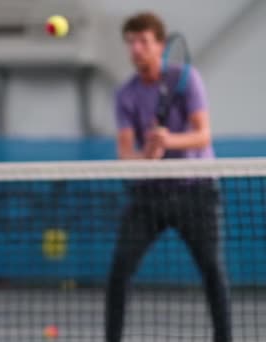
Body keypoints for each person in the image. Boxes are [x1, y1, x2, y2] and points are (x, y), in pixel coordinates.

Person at [105, 12, 232, 342]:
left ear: (160, 45)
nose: (136, 48)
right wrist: (145, 156)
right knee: (119, 270)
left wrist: (168, 140)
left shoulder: (186, 79)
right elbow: (124, 154)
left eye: (143, 41)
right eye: (131, 42)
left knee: (213, 271)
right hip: (149, 197)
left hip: (196, 191)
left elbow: (203, 135)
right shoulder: (126, 94)